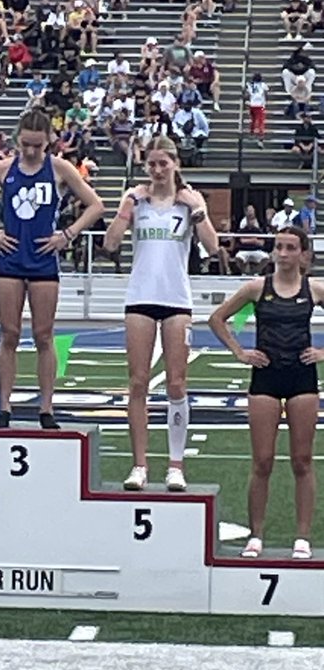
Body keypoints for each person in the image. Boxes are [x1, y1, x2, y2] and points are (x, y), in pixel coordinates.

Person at [0, 109, 104, 429]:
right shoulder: (3, 169)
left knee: (43, 334)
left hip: (43, 260)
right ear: (17, 140)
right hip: (10, 259)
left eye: (37, 146)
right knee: (9, 333)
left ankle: (46, 407)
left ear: (48, 142)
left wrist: (67, 235)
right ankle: (5, 407)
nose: (30, 151)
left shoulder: (59, 168)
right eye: (25, 144)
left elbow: (96, 205)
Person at [102, 136, 218, 492]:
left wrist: (197, 211)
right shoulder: (136, 199)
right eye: (151, 164)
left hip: (176, 299)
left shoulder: (189, 200)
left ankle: (175, 466)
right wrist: (127, 207)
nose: (157, 170)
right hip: (140, 296)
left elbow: (213, 247)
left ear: (175, 163)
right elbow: (110, 243)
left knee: (176, 383)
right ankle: (139, 465)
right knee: (138, 382)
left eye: (163, 163)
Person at [209, 225, 324, 560]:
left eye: (290, 248)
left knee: (302, 461)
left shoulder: (314, 289)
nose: (283, 254)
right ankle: (256, 535)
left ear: (303, 254)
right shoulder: (257, 287)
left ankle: (302, 537)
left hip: (302, 379)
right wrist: (240, 352)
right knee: (262, 461)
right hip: (265, 379)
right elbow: (217, 319)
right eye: (279, 247)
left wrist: (322, 353)